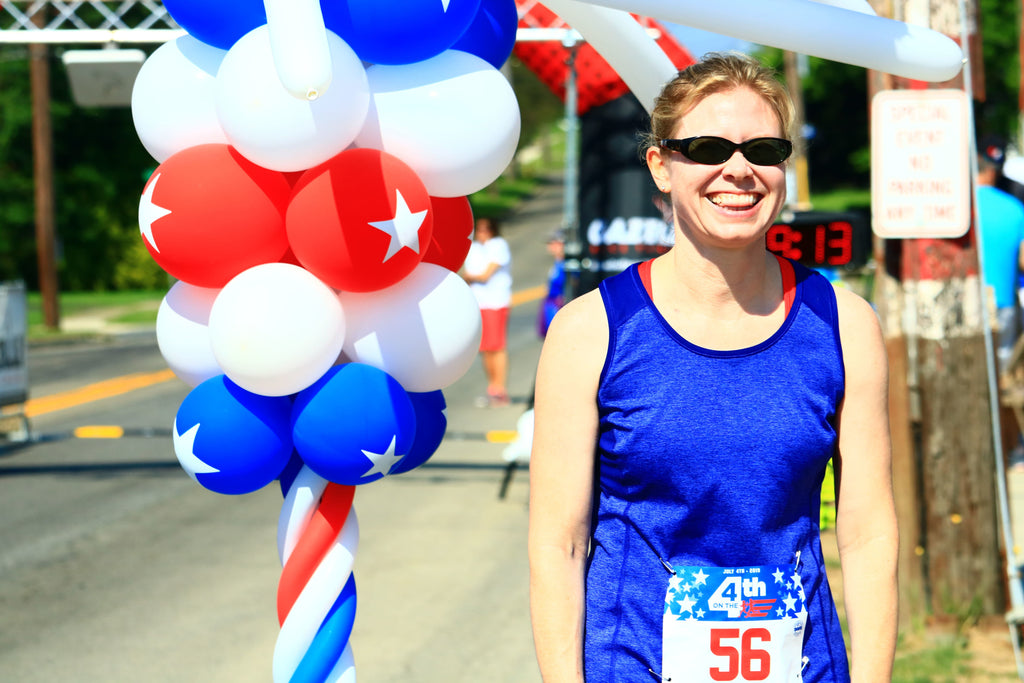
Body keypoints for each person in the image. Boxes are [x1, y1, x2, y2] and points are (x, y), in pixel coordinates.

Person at [528, 53, 898, 682]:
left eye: (762, 148)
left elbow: (866, 534)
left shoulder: (844, 325)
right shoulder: (590, 331)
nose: (738, 170)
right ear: (661, 166)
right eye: (705, 148)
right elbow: (558, 545)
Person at [976, 136, 1024, 372]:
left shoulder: (956, 209)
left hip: (966, 303)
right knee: (1000, 374)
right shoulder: (1014, 208)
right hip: (1003, 305)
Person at [463, 216, 512, 407]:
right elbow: (470, 274)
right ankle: (493, 388)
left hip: (496, 301)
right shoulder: (474, 248)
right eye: (480, 229)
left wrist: (472, 277)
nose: (483, 233)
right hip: (479, 302)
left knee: (497, 346)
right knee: (485, 348)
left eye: (487, 229)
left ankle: (500, 388)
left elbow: (484, 275)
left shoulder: (498, 245)